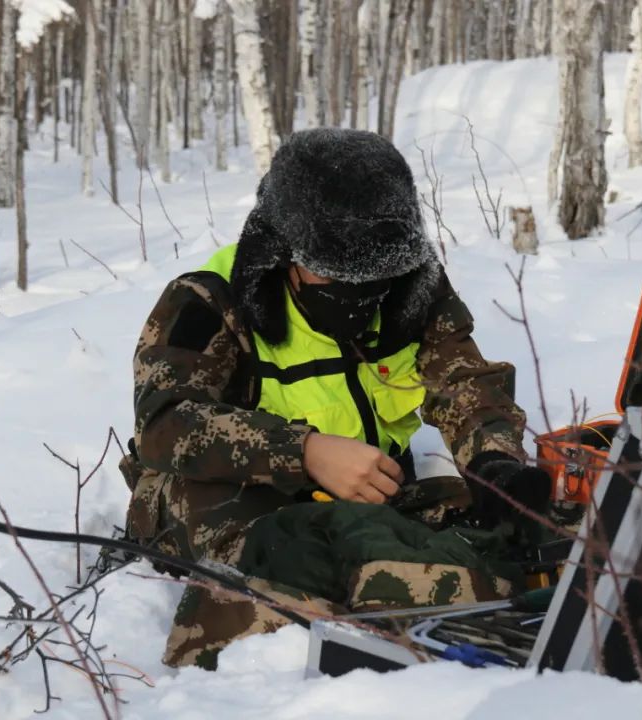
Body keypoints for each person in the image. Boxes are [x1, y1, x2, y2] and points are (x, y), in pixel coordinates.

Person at [120, 128, 549, 669]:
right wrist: (307, 452)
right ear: (282, 251)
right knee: (327, 545)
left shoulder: (410, 293)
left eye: (373, 277)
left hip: (365, 491)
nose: (356, 293)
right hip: (225, 500)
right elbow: (164, 423)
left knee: (493, 522)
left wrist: (494, 462)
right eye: (332, 274)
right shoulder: (210, 299)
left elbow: (467, 384)